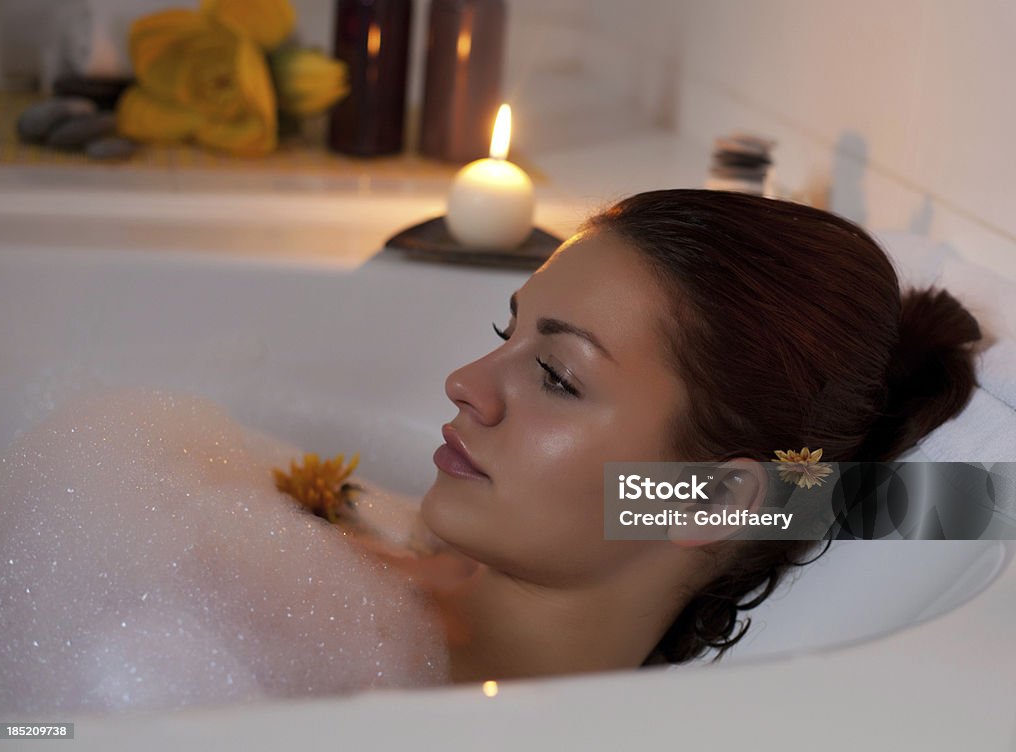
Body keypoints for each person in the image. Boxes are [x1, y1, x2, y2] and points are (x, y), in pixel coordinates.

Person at [387, 188, 984, 683]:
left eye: (556, 376)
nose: (463, 383)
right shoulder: (349, 614)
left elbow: (981, 506)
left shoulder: (400, 703)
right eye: (504, 331)